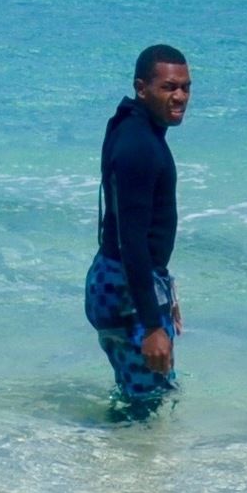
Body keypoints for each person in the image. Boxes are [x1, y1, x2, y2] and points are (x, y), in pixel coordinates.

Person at [86, 45, 190, 416]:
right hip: (127, 288)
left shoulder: (130, 123)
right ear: (141, 87)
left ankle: (116, 463)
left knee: (138, 395)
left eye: (185, 87)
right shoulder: (139, 146)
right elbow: (132, 241)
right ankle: (122, 469)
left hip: (118, 280)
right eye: (169, 87)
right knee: (147, 402)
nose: (179, 97)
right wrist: (151, 326)